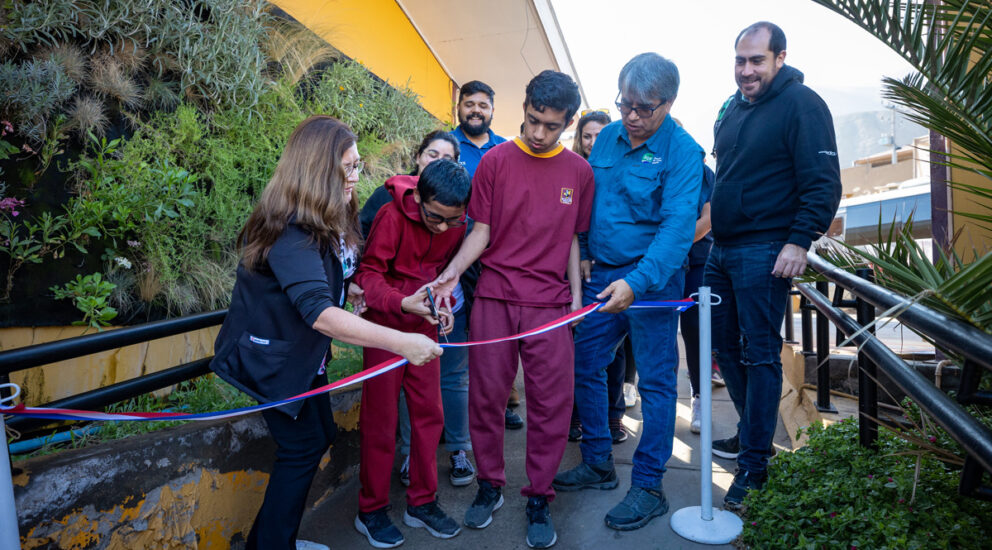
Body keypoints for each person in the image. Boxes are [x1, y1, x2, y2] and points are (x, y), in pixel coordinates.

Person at [209, 115, 441, 550]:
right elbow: (318, 312)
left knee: (317, 439)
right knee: (300, 449)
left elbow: (326, 281)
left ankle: (272, 541)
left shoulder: (329, 212)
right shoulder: (291, 228)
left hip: (302, 357)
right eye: (349, 167)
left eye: (358, 165)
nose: (357, 175)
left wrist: (353, 289)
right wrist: (403, 343)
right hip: (273, 360)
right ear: (319, 168)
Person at [432, 70, 592, 549]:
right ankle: (490, 485)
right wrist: (453, 272)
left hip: (549, 305)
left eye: (552, 126)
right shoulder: (495, 162)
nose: (540, 133)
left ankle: (539, 495)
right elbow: (479, 231)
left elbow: (571, 239)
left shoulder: (579, 173)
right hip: (496, 299)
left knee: (551, 405)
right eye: (533, 120)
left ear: (568, 123)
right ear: (523, 108)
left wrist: (578, 297)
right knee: (486, 398)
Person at [552, 53, 703, 532]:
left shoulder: (684, 152)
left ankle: (649, 485)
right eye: (625, 104)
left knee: (658, 383)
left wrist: (636, 283)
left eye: (644, 108)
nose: (632, 117)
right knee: (585, 362)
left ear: (669, 103)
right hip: (602, 277)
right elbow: (593, 203)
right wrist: (585, 252)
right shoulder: (611, 137)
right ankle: (598, 460)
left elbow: (679, 231)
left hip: (654, 282)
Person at [707, 21, 841, 509]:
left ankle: (755, 468)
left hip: (766, 250)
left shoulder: (803, 105)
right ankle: (750, 434)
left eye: (756, 61)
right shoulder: (736, 108)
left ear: (780, 58)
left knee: (761, 355)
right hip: (721, 251)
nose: (746, 70)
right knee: (722, 346)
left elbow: (824, 182)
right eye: (740, 60)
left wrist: (799, 241)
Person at [354, 158, 472, 547]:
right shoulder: (390, 215)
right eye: (435, 217)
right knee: (381, 421)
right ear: (419, 196)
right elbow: (368, 276)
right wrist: (402, 302)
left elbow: (438, 274)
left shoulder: (455, 224)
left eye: (452, 221)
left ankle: (421, 503)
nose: (442, 228)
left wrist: (439, 305)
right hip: (384, 328)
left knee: (430, 416)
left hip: (424, 326)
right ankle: (370, 510)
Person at [449, 80, 524, 431]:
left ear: (493, 110)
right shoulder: (445, 145)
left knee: (497, 335)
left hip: (495, 259)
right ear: (459, 107)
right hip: (449, 253)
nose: (475, 110)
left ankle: (505, 401)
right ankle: (455, 410)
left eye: (483, 104)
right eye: (469, 103)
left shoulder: (509, 151)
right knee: (456, 335)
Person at [568, 110, 631, 445]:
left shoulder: (623, 165)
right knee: (582, 348)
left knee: (615, 351)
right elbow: (574, 222)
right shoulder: (576, 169)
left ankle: (613, 415)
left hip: (619, 271)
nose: (593, 142)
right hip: (582, 266)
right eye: (587, 136)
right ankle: (578, 417)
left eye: (600, 135)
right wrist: (583, 254)